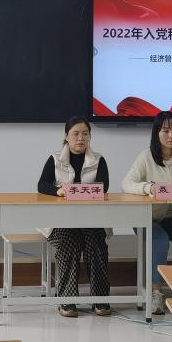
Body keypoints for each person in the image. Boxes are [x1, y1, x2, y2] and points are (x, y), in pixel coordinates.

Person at [122, 110, 172, 316]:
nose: (171, 135)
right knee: (159, 240)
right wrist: (148, 188)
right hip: (146, 217)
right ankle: (156, 292)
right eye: (165, 130)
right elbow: (127, 183)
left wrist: (171, 190)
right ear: (156, 133)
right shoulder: (146, 156)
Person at [37, 116, 112, 318]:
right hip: (60, 221)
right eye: (76, 134)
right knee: (69, 241)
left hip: (91, 219)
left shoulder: (98, 160)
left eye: (85, 134)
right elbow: (42, 185)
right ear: (66, 136)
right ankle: (67, 300)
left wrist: (76, 190)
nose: (80, 138)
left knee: (95, 241)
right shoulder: (54, 160)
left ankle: (100, 299)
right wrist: (58, 191)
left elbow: (104, 186)